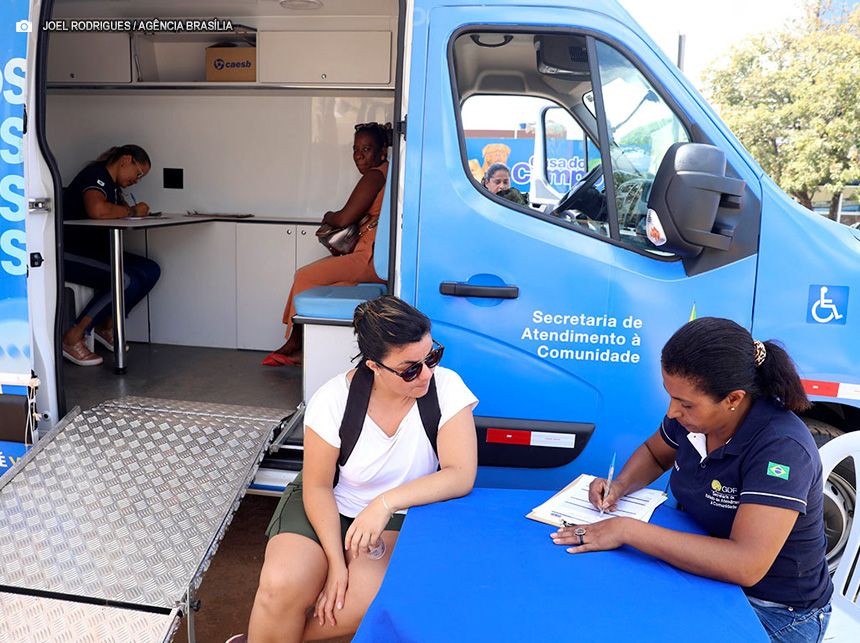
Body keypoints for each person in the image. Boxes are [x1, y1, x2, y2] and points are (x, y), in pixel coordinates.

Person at [551, 317, 832, 643]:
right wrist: (620, 486)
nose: (672, 412)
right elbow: (656, 454)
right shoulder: (693, 421)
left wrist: (627, 529)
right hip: (703, 576)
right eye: (671, 397)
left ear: (733, 400)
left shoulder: (781, 448)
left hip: (773, 611)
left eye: (684, 403)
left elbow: (746, 564)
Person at [241, 295, 478, 642]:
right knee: (281, 586)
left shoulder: (446, 387)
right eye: (411, 368)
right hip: (328, 500)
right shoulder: (334, 398)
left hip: (399, 509)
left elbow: (460, 473)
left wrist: (384, 504)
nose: (426, 373)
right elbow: (318, 485)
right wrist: (336, 563)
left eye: (432, 357)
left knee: (357, 604)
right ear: (375, 367)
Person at [262, 123, 391, 367]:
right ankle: (304, 344)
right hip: (373, 258)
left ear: (382, 150)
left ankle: (296, 343)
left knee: (305, 275)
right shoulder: (387, 172)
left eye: (366, 148)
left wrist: (328, 215)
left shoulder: (375, 176)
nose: (359, 156)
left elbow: (343, 218)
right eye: (355, 149)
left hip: (368, 258)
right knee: (336, 284)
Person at [62, 144, 161, 366]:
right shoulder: (95, 175)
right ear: (126, 159)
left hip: (94, 251)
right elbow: (98, 210)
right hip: (68, 252)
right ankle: (73, 336)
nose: (137, 180)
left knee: (149, 270)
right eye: (138, 174)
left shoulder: (113, 187)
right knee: (124, 279)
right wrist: (134, 211)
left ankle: (105, 325)